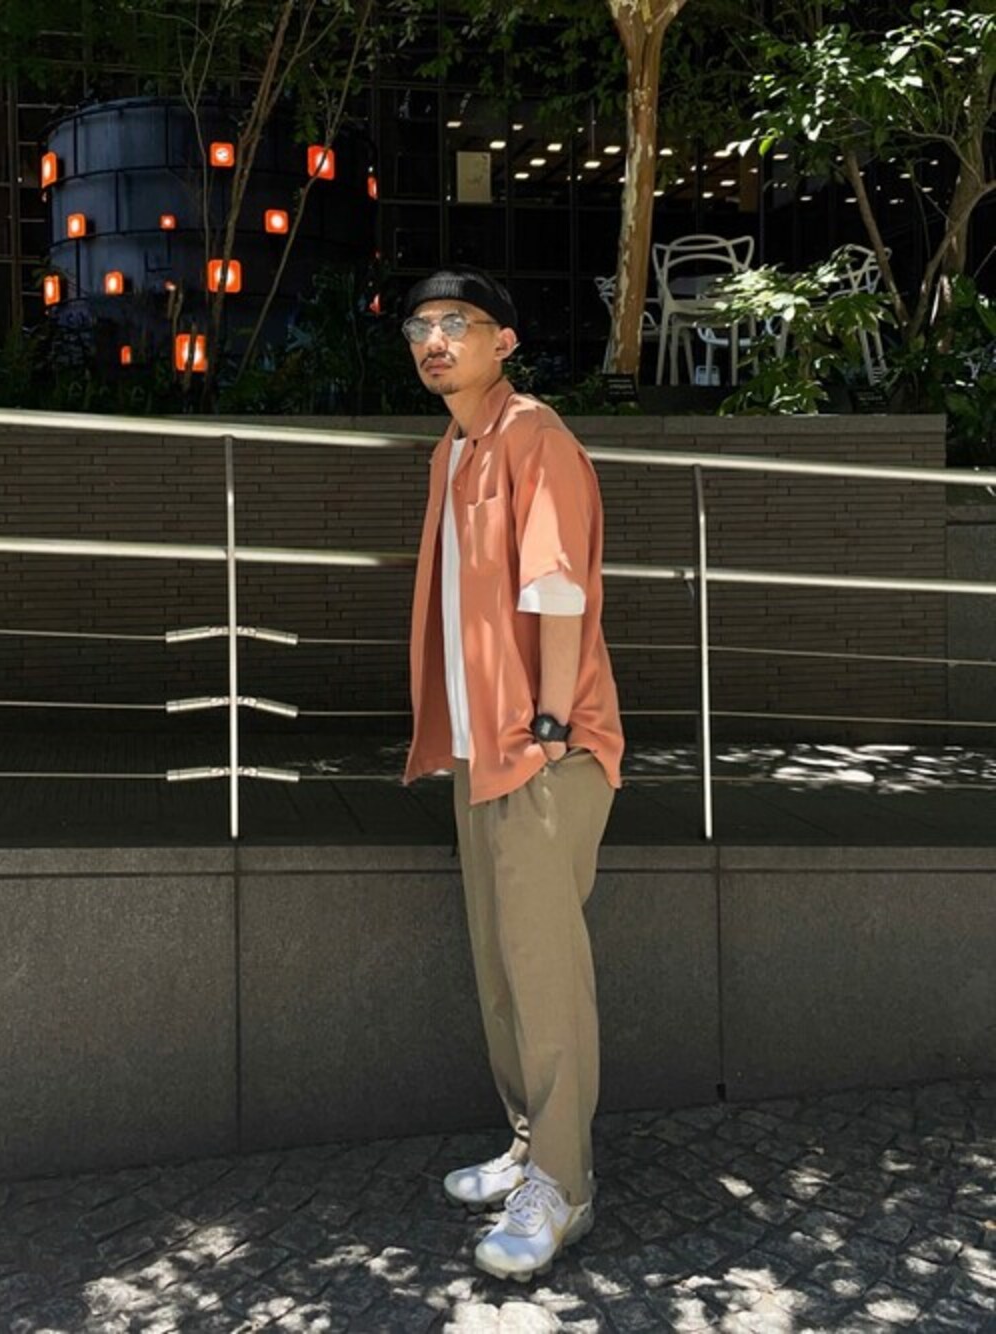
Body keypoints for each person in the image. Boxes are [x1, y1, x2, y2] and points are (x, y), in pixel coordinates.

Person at [402, 266, 624, 1282]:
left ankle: (565, 1186)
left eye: (457, 322)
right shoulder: (454, 449)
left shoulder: (535, 436)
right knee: (499, 966)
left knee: (544, 972)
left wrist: (548, 724)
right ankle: (532, 1145)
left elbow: (557, 585)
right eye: (421, 325)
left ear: (506, 341)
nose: (434, 339)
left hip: (541, 747)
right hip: (479, 747)